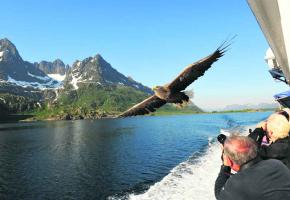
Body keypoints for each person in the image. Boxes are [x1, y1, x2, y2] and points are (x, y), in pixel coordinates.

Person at [215, 135, 290, 200]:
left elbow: (219, 194)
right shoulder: (276, 164)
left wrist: (225, 166)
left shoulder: (237, 183)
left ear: (229, 161)